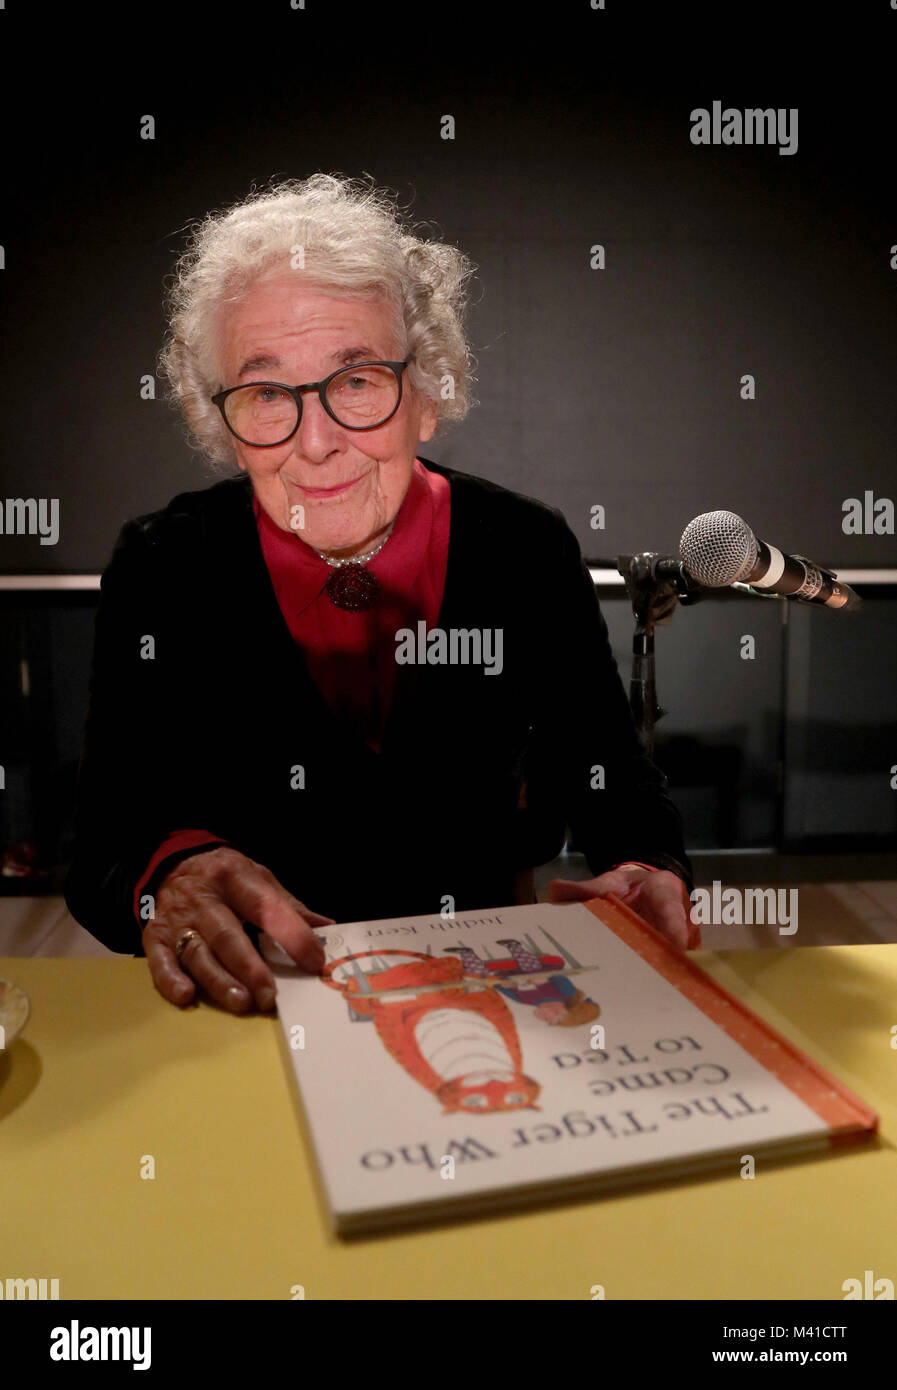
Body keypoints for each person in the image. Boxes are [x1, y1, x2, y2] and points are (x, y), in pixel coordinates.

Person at [64, 173, 699, 1014]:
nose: (317, 442)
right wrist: (171, 877)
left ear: (427, 395)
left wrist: (646, 867)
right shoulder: (164, 564)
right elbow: (106, 845)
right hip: (258, 1000)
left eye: (356, 381)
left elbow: (607, 773)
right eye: (265, 394)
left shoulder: (522, 547)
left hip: (486, 989)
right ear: (222, 423)